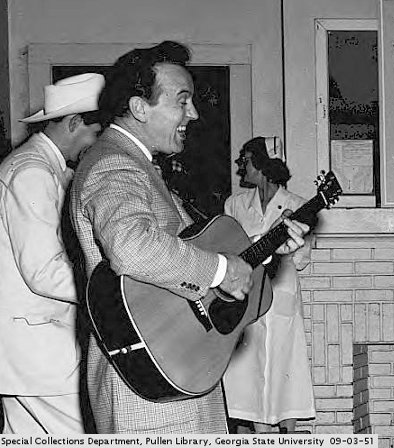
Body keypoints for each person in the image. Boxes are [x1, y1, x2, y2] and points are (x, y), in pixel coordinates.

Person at [69, 41, 309, 434]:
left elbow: (190, 252)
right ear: (139, 107)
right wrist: (220, 271)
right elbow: (131, 246)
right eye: (182, 101)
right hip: (148, 390)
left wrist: (265, 251)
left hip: (176, 369)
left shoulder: (140, 166)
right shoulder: (114, 163)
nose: (193, 113)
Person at [0, 72, 104, 433]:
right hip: (41, 352)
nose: (95, 145)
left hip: (28, 350)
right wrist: (110, 292)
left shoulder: (42, 167)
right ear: (74, 122)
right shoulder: (33, 172)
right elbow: (44, 271)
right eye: (95, 133)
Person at [223, 136, 315, 433]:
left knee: (285, 366)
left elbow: (301, 259)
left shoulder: (297, 205)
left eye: (246, 160)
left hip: (280, 293)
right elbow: (229, 249)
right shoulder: (235, 204)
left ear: (263, 164)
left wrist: (282, 242)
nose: (241, 167)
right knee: (249, 365)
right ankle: (260, 434)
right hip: (247, 296)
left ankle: (288, 435)